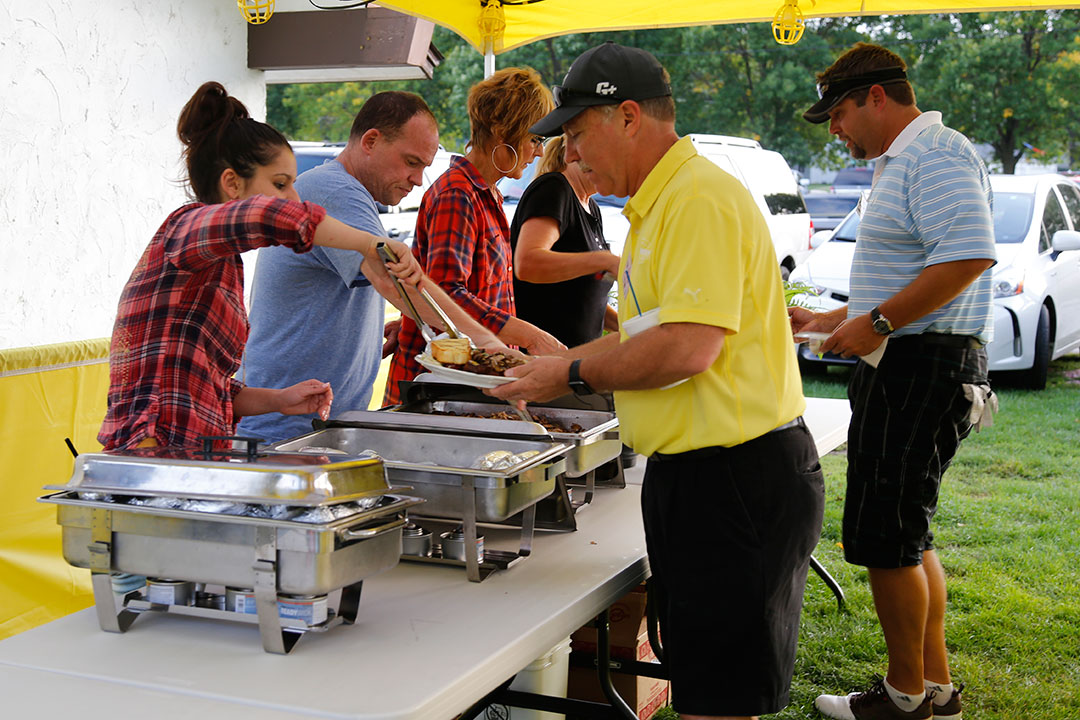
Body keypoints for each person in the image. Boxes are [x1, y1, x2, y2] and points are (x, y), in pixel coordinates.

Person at [489, 42, 825, 720]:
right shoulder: (659, 204)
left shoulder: (696, 198)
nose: (573, 154)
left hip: (733, 479)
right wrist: (554, 362)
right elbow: (646, 338)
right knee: (704, 687)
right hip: (704, 476)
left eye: (580, 133)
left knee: (718, 704)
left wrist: (569, 372)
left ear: (630, 116)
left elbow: (688, 348)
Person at [792, 42, 996, 720]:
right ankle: (933, 689)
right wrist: (831, 318)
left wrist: (878, 322)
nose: (837, 131)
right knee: (910, 536)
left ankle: (904, 698)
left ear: (876, 96)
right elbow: (917, 269)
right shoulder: (908, 160)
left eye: (840, 114)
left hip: (920, 365)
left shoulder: (932, 153)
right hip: (914, 361)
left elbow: (968, 254)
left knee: (888, 537)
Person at [98, 81, 423, 451]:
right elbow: (269, 215)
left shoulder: (223, 266)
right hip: (149, 454)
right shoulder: (184, 229)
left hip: (201, 459)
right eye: (281, 183)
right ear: (232, 183)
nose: (293, 198)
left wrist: (279, 400)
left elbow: (215, 389)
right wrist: (371, 243)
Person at [238, 92, 504, 442]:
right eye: (411, 162)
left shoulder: (346, 191)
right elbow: (397, 281)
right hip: (286, 430)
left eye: (425, 166)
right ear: (371, 141)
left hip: (312, 425)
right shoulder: (336, 189)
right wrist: (486, 344)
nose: (418, 179)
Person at [383, 67, 565, 406]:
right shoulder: (458, 194)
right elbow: (445, 297)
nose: (538, 152)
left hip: (467, 383)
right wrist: (530, 336)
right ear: (500, 132)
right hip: (439, 391)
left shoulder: (486, 193)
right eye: (534, 140)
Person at [509, 134, 620, 348]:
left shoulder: (592, 206)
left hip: (576, 359)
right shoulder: (554, 189)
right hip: (543, 356)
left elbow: (582, 297)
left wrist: (627, 326)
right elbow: (528, 262)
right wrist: (604, 260)